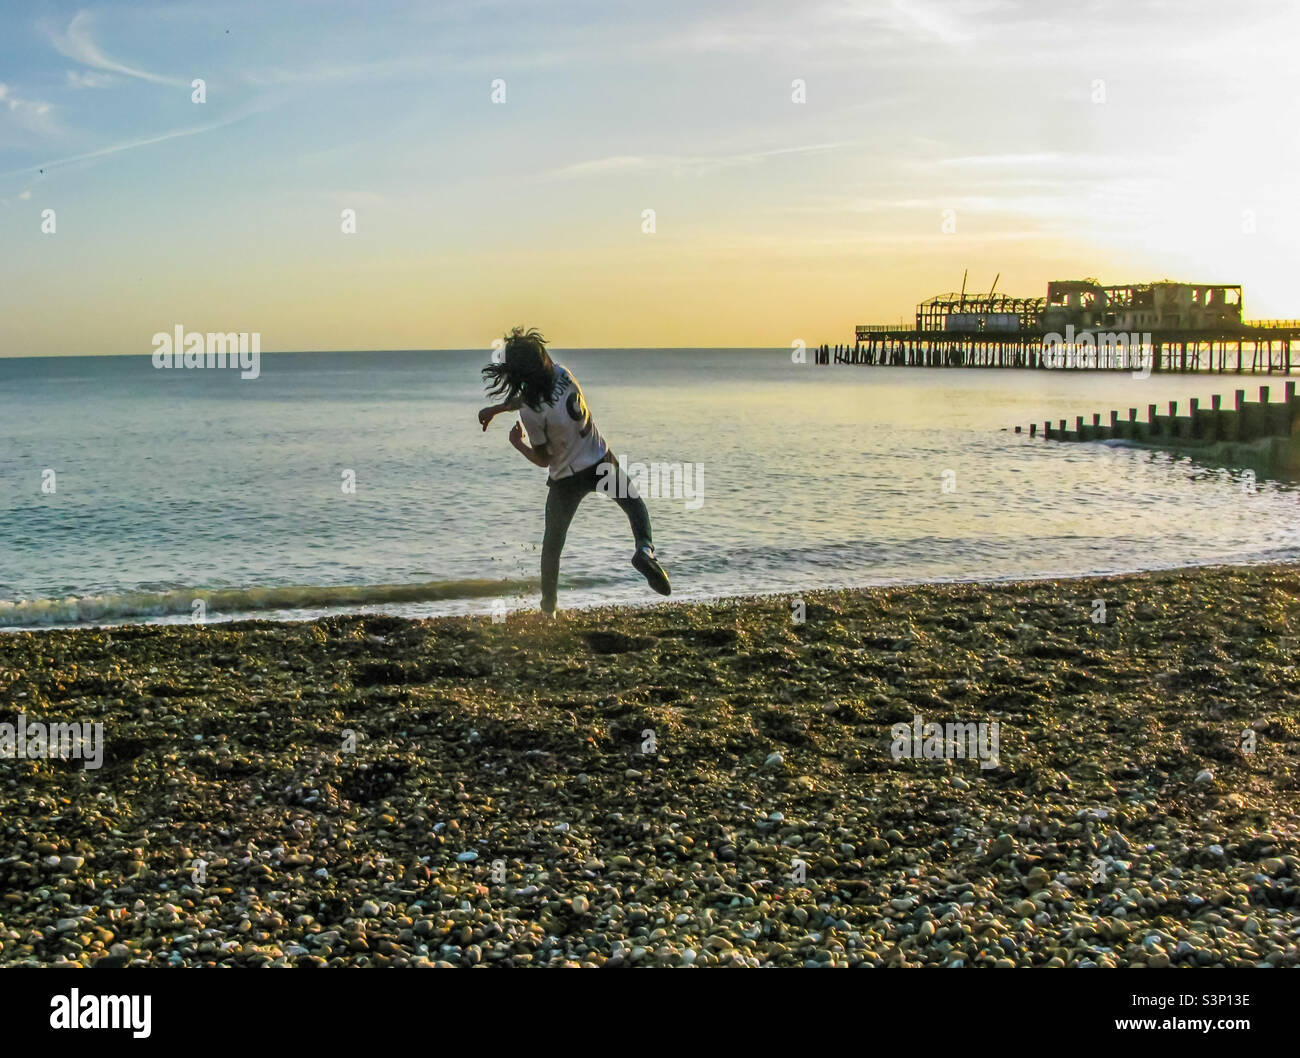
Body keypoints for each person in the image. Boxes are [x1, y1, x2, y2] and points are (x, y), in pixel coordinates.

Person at [478, 327, 670, 614]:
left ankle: (549, 611)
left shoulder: (531, 412)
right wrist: (497, 408)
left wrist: (518, 444)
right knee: (634, 505)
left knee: (552, 546)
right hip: (599, 459)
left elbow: (543, 459)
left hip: (566, 480)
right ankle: (644, 550)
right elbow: (534, 396)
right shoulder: (562, 373)